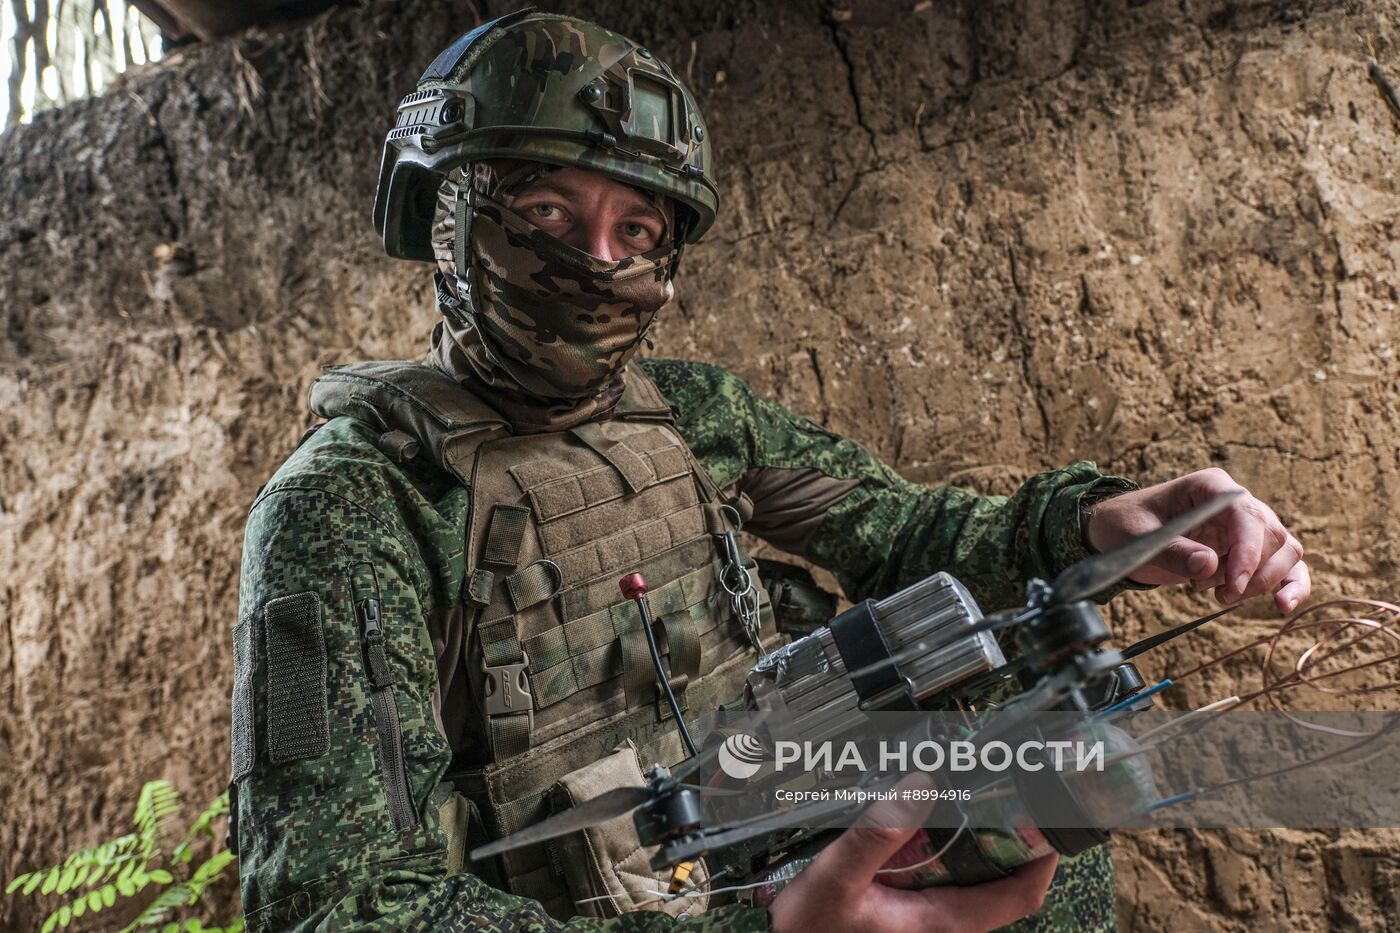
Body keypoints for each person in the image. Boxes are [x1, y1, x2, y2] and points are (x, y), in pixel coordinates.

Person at [228, 11, 1310, 932]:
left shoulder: (693, 414)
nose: (596, 261)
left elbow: (903, 539)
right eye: (546, 214)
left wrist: (1087, 529)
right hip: (605, 899)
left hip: (758, 821)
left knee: (1043, 785)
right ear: (446, 220)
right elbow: (340, 898)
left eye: (635, 228)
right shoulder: (350, 504)